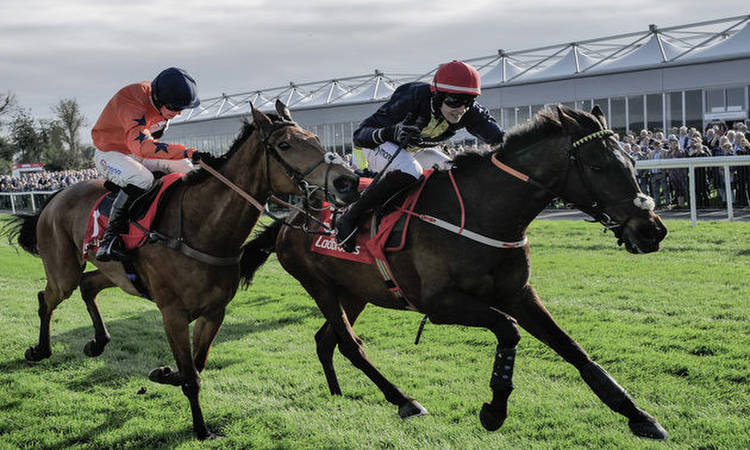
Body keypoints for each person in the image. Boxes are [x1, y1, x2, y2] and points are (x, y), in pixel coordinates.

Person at [335, 60, 505, 251]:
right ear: (438, 95)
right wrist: (391, 132)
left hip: (414, 150)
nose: (461, 109)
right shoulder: (412, 96)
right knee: (411, 170)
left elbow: (501, 139)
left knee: (452, 169)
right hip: (379, 145)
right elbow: (360, 136)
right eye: (454, 101)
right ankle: (349, 218)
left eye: (468, 101)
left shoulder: (469, 112)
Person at [91, 67, 206, 261]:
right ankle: (108, 240)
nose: (178, 114)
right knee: (143, 179)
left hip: (136, 150)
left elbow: (151, 144)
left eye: (182, 109)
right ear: (159, 100)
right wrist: (188, 151)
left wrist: (193, 157)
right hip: (110, 153)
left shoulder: (162, 100)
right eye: (175, 108)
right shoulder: (131, 103)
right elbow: (142, 147)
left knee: (185, 167)